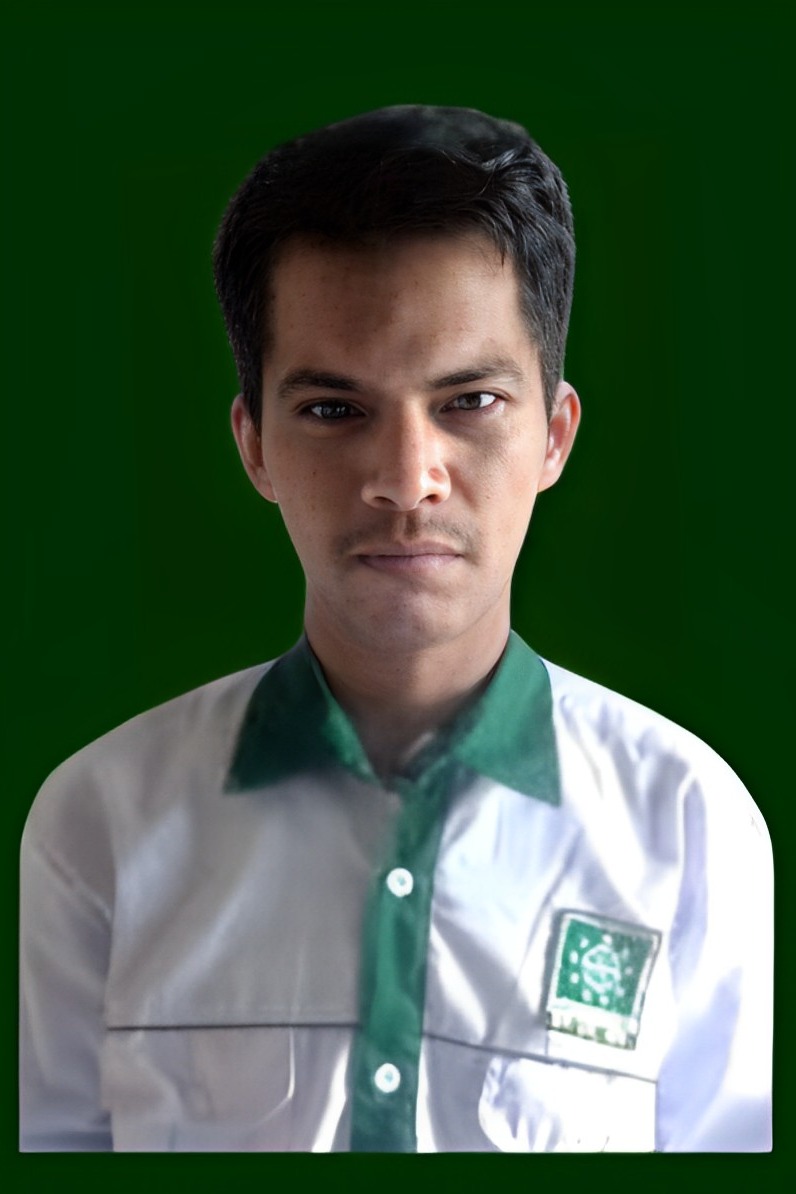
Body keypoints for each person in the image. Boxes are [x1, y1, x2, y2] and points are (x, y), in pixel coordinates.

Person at [19, 104, 772, 1153]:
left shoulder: (687, 823)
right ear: (254, 445)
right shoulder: (96, 824)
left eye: (469, 402)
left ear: (554, 435)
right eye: (334, 410)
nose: (406, 480)